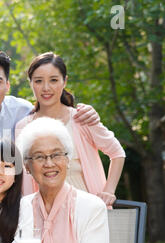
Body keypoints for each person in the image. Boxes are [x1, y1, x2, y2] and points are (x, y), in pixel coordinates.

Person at [0, 46, 101, 182]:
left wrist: (83, 112)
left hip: (23, 204)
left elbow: (55, 117)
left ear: (7, 86)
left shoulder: (24, 112)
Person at [15, 52, 125, 207]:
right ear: (30, 83)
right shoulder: (23, 127)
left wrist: (109, 191)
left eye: (53, 80)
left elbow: (117, 153)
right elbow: (24, 177)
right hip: (45, 214)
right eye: (38, 81)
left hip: (88, 209)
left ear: (64, 81)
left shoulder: (82, 119)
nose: (46, 88)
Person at [16, 116, 109, 243]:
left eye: (56, 155)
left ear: (67, 159)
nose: (49, 163)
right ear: (27, 166)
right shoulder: (20, 208)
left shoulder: (92, 207)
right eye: (39, 157)